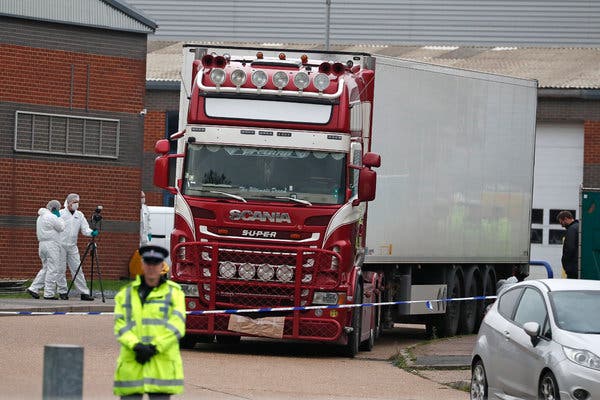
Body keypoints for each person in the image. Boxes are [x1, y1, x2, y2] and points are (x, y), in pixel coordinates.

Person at [113, 245, 185, 399]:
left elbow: (177, 326)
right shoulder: (125, 294)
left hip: (161, 366)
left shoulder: (175, 293)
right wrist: (136, 346)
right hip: (133, 365)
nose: (152, 267)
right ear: (142, 264)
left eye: (156, 263)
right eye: (148, 262)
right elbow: (121, 325)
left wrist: (154, 347)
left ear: (162, 266)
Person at [60, 193, 97, 301]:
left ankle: (84, 292)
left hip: (72, 245)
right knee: (60, 269)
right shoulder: (61, 214)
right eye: (74, 202)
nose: (76, 204)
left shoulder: (79, 215)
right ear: (69, 202)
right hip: (61, 245)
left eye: (77, 202)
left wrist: (91, 232)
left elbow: (85, 229)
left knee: (77, 268)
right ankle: (62, 291)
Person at [27, 200, 67, 300]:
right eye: (58, 209)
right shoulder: (52, 217)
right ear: (54, 209)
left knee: (45, 268)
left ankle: (33, 288)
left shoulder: (40, 217)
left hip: (42, 245)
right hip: (51, 245)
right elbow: (61, 227)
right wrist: (59, 217)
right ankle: (49, 293)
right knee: (53, 269)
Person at [557, 210, 579, 279]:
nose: (561, 225)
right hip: (579, 267)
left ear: (566, 219)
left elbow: (569, 248)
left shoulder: (571, 229)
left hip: (572, 269)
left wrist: (565, 264)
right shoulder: (579, 227)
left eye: (561, 222)